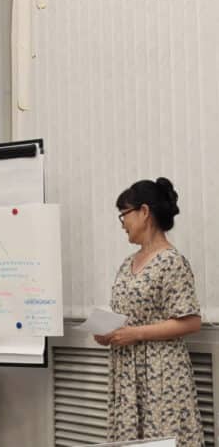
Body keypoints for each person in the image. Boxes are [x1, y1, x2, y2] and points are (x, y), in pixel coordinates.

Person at [94, 178, 203, 446]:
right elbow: (125, 316)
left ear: (144, 212)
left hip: (160, 375)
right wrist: (106, 333)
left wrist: (136, 334)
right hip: (126, 374)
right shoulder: (126, 264)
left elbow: (191, 322)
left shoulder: (172, 262)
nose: (122, 224)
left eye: (124, 214)